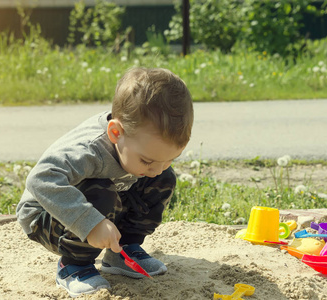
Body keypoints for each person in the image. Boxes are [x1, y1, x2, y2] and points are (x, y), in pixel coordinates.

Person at [16, 67, 194, 298]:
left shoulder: (137, 137)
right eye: (148, 160)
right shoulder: (89, 151)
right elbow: (40, 179)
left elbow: (156, 171)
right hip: (46, 215)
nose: (157, 168)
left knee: (163, 180)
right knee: (100, 192)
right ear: (115, 133)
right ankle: (73, 266)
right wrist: (89, 222)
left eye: (170, 159)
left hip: (106, 195)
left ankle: (121, 251)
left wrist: (156, 166)